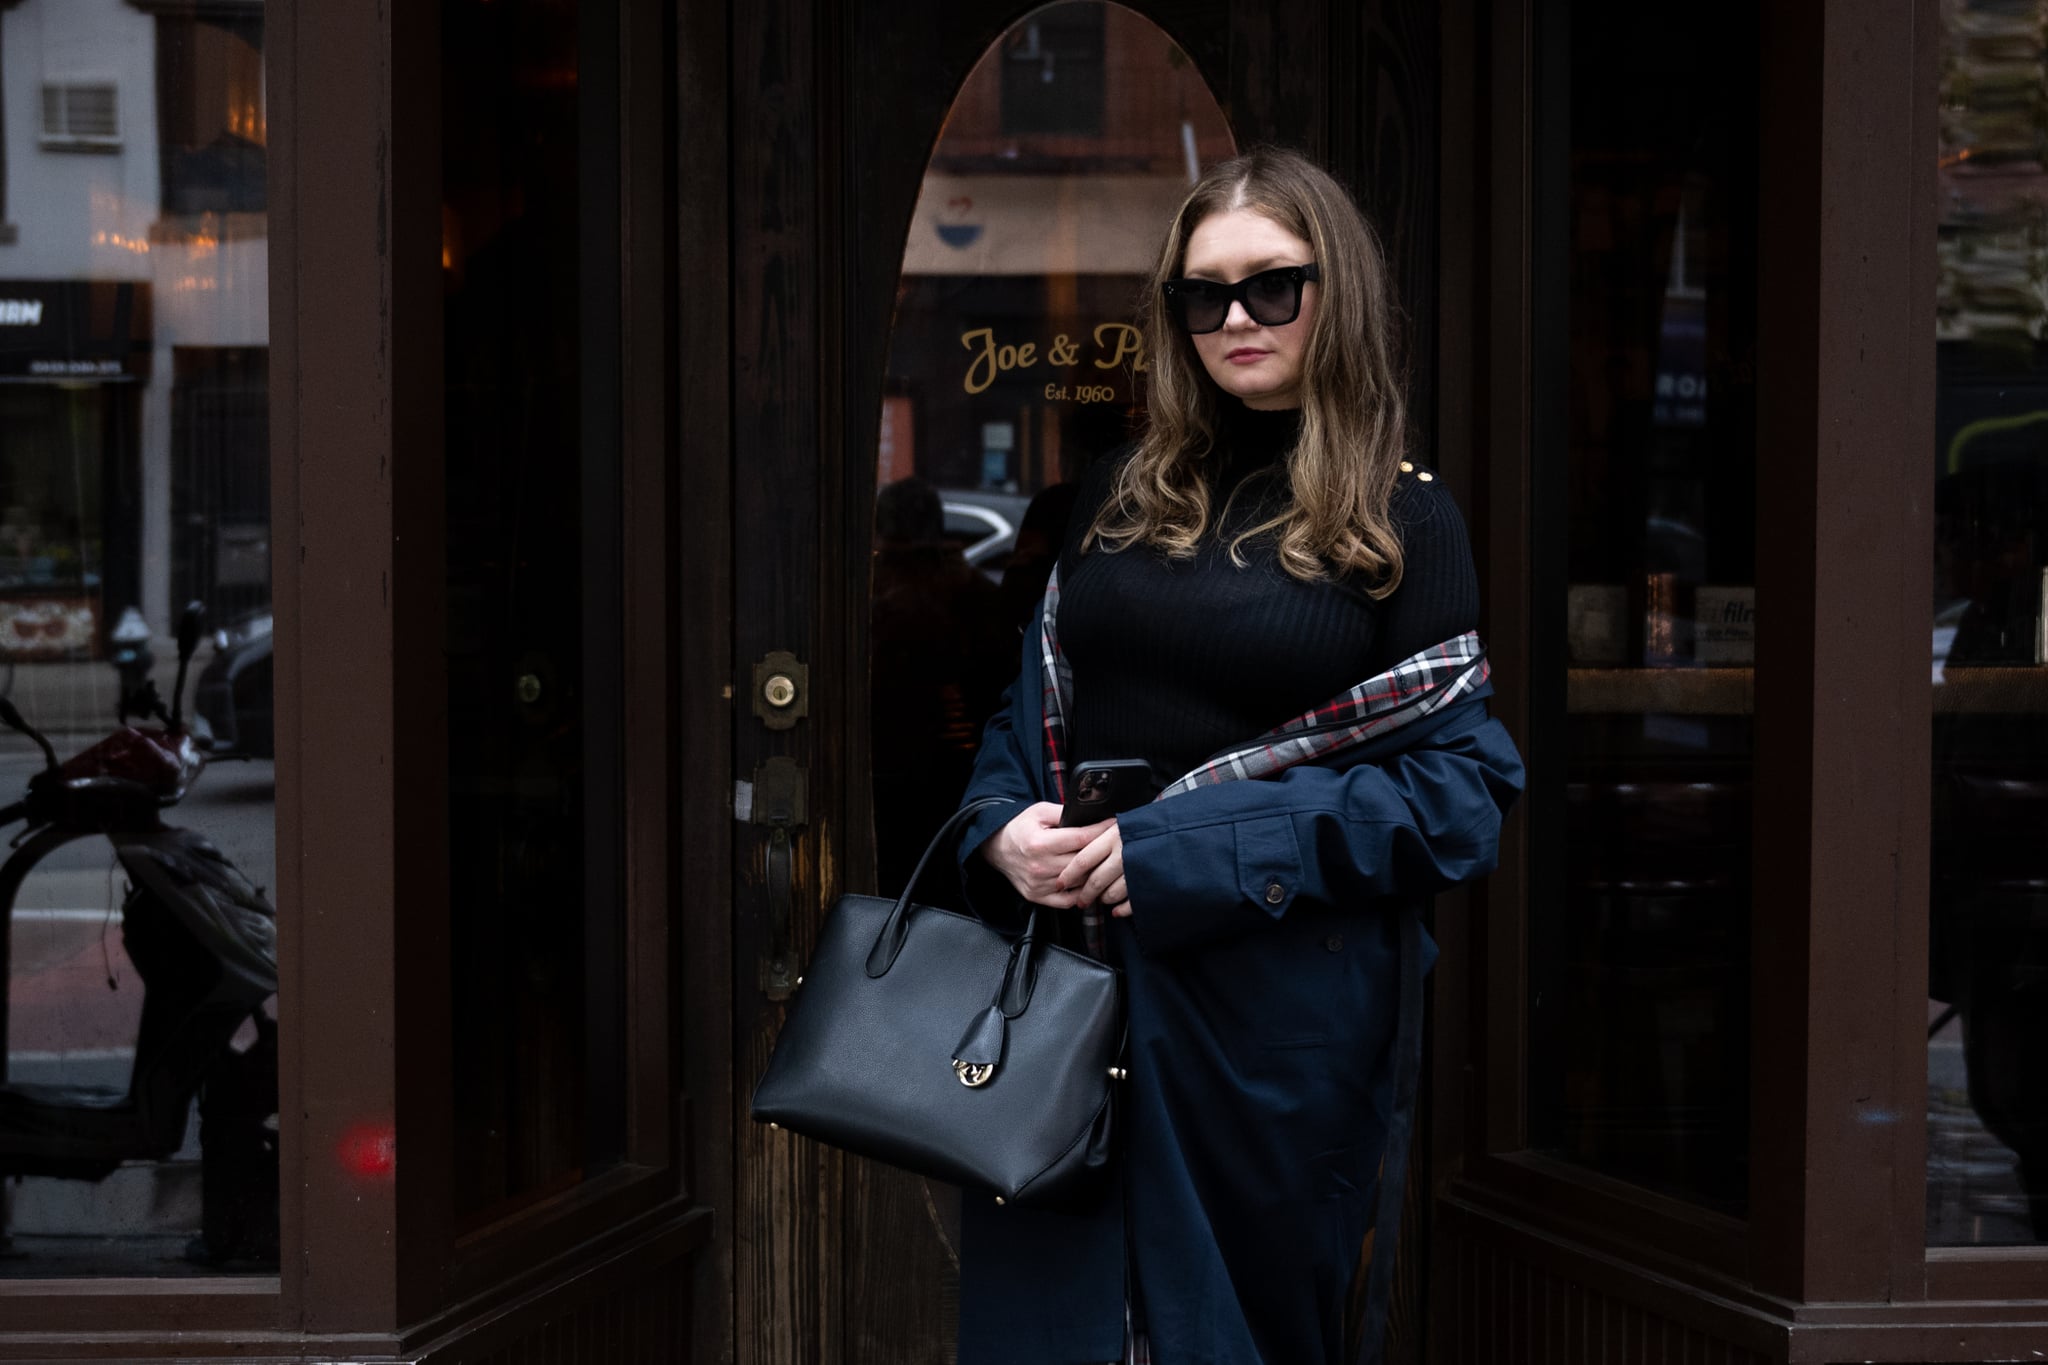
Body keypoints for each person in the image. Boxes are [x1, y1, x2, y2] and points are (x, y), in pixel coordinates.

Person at [948, 148, 1524, 1365]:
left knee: (1231, 1334)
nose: (1233, 320)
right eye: (1200, 295)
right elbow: (1029, 714)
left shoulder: (1402, 517)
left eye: (1272, 286)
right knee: (1053, 1333)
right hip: (1067, 999)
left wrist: (1182, 849)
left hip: (1271, 1023)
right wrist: (1000, 821)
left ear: (1340, 293)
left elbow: (1460, 796)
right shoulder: (1117, 491)